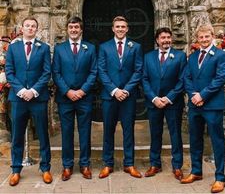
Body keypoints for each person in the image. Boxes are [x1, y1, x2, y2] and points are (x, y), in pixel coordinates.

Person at [181, 25, 225, 193]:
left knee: (217, 140)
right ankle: (196, 171)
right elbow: (186, 77)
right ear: (197, 38)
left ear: (212, 36)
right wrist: (193, 94)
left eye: (206, 37)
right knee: (195, 139)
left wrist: (202, 95)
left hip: (212, 105)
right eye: (200, 37)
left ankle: (220, 177)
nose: (203, 40)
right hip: (195, 105)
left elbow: (220, 78)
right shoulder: (192, 57)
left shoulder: (222, 55)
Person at [5, 17, 52, 186]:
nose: (30, 28)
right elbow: (9, 71)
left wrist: (33, 91)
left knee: (42, 134)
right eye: (27, 26)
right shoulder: (13, 48)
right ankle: (16, 170)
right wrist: (22, 90)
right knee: (17, 135)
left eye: (33, 26)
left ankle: (45, 168)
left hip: (38, 98)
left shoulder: (44, 48)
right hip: (18, 98)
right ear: (22, 28)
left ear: (36, 30)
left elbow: (47, 72)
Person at [52, 16, 97, 181]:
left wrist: (83, 90)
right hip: (66, 99)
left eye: (76, 27)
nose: (73, 30)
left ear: (81, 30)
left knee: (85, 132)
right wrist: (68, 91)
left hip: (84, 98)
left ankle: (85, 164)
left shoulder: (90, 48)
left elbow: (94, 71)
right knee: (67, 133)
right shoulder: (59, 48)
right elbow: (55, 72)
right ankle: (67, 165)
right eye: (71, 27)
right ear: (67, 29)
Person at [98, 16, 143, 178]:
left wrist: (126, 90)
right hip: (110, 96)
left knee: (128, 130)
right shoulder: (104, 47)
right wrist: (114, 90)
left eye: (123, 27)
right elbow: (101, 71)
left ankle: (129, 164)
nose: (120, 29)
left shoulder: (136, 47)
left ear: (127, 29)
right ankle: (108, 164)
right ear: (113, 28)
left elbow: (138, 70)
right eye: (117, 27)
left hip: (128, 96)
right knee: (108, 130)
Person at [142, 27, 187, 180]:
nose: (166, 40)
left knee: (175, 135)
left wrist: (168, 98)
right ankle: (155, 164)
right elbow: (144, 79)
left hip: (173, 103)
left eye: (168, 37)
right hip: (154, 102)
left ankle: (177, 166)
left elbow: (182, 80)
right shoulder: (148, 57)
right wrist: (154, 98)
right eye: (163, 37)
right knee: (155, 134)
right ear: (157, 40)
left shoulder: (180, 56)